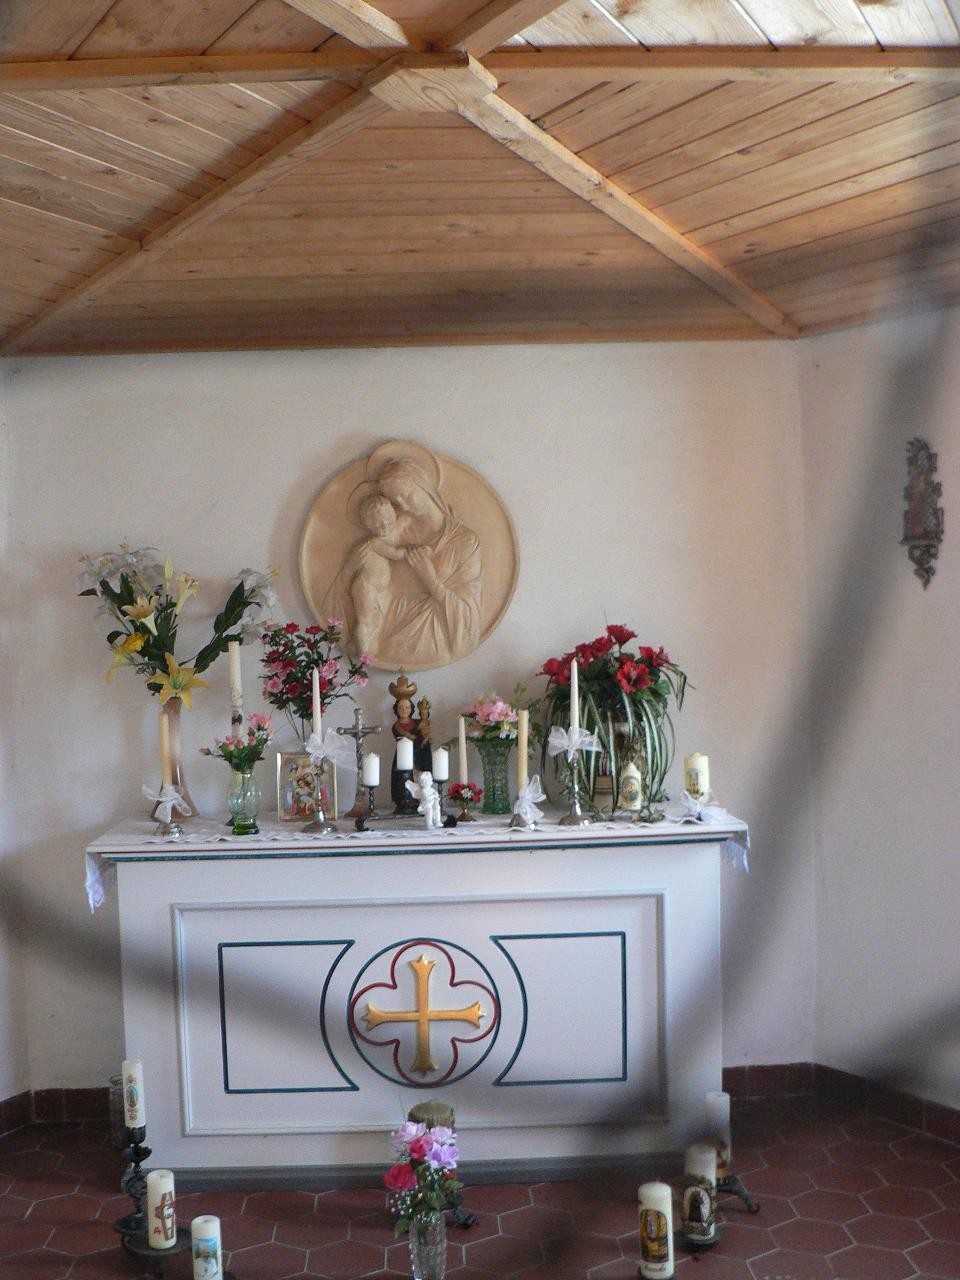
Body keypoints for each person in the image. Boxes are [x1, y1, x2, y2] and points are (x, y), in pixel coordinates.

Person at [340, 493, 406, 655]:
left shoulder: (387, 536)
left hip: (376, 590)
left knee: (373, 620)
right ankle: (363, 652)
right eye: (378, 523)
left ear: (393, 516)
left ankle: (357, 643)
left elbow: (402, 524)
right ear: (368, 525)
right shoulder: (374, 543)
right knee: (365, 621)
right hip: (366, 586)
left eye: (388, 520)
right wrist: (413, 552)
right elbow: (396, 554)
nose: (385, 526)